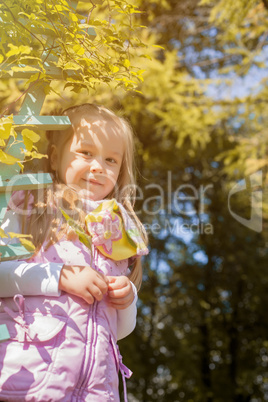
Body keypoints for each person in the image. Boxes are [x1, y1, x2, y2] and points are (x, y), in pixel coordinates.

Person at [0, 103, 149, 401]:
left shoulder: (118, 227)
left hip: (96, 391)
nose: (98, 166)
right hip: (28, 381)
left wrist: (127, 300)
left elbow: (117, 333)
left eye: (110, 160)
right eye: (86, 152)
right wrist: (60, 276)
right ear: (55, 157)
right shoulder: (30, 205)